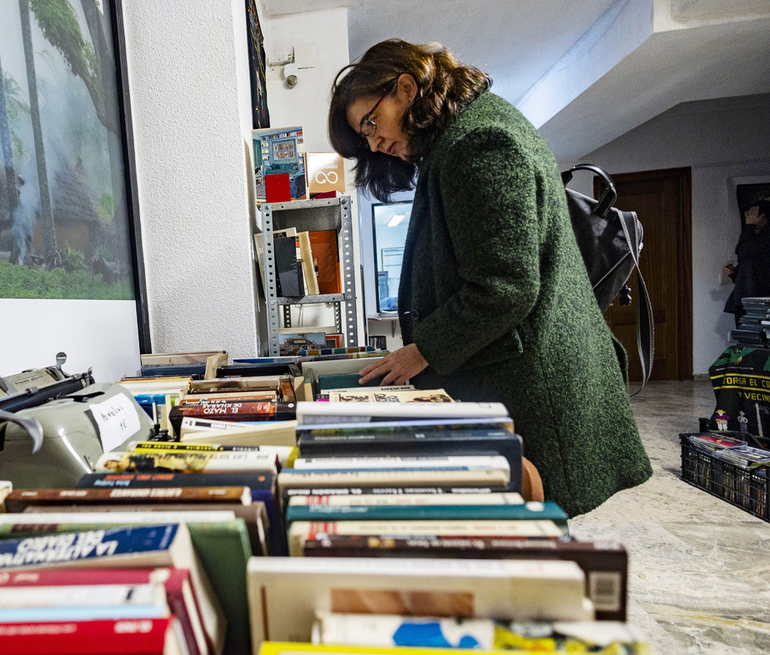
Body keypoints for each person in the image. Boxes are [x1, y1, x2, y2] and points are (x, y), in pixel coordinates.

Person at [327, 39, 651, 516]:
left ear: (406, 87)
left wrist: (422, 351)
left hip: (532, 388)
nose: (373, 142)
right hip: (519, 375)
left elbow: (505, 287)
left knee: (531, 529)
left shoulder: (478, 143)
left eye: (371, 123)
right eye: (364, 135)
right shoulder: (469, 131)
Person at [723, 201, 770, 327]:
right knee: (747, 338)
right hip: (749, 296)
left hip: (761, 298)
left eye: (752, 214)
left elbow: (744, 251)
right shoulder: (754, 235)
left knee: (759, 339)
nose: (748, 218)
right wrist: (734, 273)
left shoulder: (765, 236)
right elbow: (750, 263)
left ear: (763, 216)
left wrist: (749, 226)